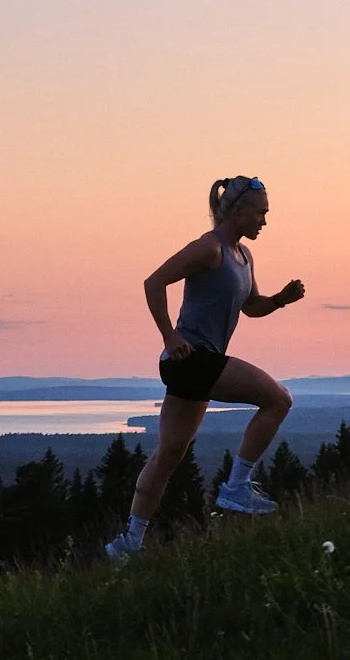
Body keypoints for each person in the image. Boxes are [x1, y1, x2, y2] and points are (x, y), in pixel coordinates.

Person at [105, 176, 305, 561]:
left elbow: (252, 306)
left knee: (169, 453)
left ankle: (129, 542)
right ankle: (237, 485)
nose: (264, 220)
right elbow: (154, 282)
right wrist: (168, 336)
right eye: (260, 212)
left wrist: (281, 299)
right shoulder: (209, 248)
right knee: (278, 399)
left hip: (194, 365)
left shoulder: (243, 257)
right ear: (236, 210)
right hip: (189, 358)